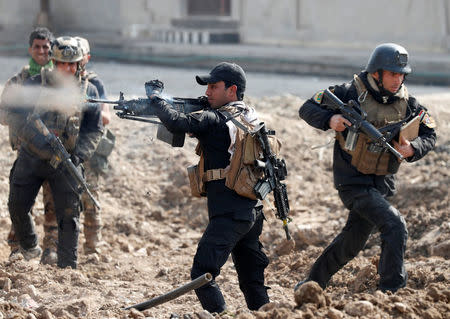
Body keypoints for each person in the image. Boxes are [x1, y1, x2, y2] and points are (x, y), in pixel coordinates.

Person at [296, 43, 436, 293]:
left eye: (402, 74)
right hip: (352, 182)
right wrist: (331, 119)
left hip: (381, 183)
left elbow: (430, 134)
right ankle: (391, 291)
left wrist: (413, 148)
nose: (398, 80)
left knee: (351, 242)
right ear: (376, 73)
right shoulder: (348, 92)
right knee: (395, 226)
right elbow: (307, 108)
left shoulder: (408, 102)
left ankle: (312, 283)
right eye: (393, 74)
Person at [149, 62, 270, 313]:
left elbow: (176, 122)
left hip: (228, 214)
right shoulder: (248, 115)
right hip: (252, 210)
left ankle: (220, 315)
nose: (207, 93)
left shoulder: (216, 119)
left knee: (202, 274)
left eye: (214, 87)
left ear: (232, 90)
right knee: (251, 280)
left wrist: (156, 99)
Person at [6, 36, 103, 268]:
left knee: (69, 217)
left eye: (73, 64)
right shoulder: (32, 85)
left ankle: (68, 266)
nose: (68, 69)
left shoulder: (88, 90)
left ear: (80, 64)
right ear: (53, 63)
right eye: (62, 64)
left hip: (65, 161)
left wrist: (78, 156)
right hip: (31, 157)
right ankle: (30, 246)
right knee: (17, 206)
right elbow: (11, 115)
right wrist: (35, 138)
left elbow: (93, 129)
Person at [39, 36, 113, 256]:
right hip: (59, 153)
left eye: (76, 60)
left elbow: (104, 119)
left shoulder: (92, 84)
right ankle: (51, 247)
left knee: (90, 200)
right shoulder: (54, 82)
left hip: (87, 154)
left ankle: (92, 248)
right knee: (52, 201)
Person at [0, 27, 59, 261]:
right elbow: (3, 113)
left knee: (53, 202)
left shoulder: (59, 81)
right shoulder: (18, 81)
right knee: (20, 201)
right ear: (29, 49)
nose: (42, 51)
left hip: (53, 153)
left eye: (46, 47)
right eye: (37, 46)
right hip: (26, 152)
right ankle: (18, 245)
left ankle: (51, 247)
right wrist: (25, 123)